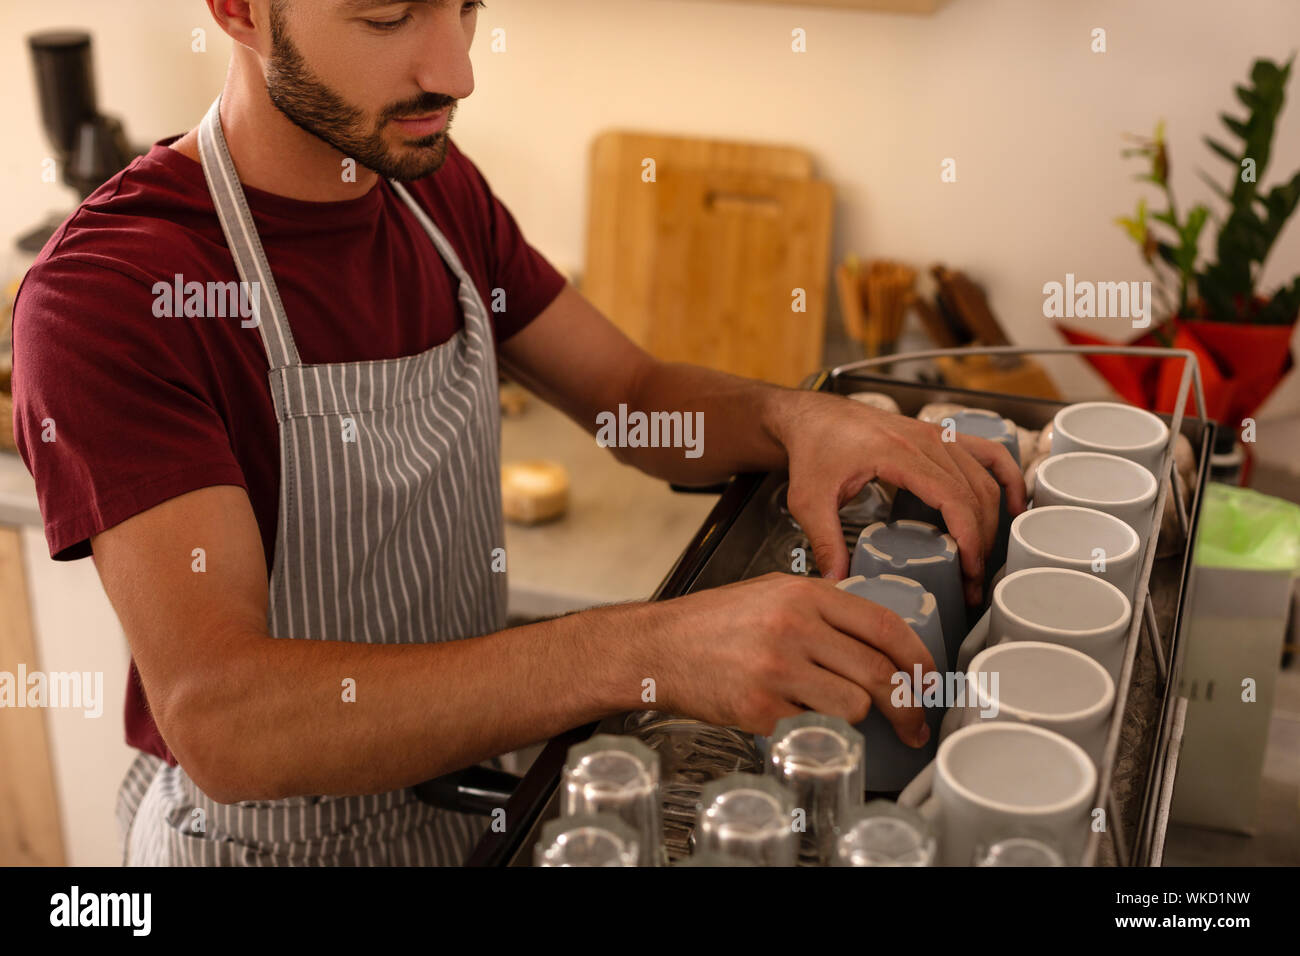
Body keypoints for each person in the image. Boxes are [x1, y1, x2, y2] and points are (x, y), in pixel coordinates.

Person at [11, 0, 1024, 866]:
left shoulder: (430, 191)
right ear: (233, 7)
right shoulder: (114, 293)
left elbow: (628, 392)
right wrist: (648, 647)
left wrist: (794, 416)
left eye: (467, 7)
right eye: (386, 14)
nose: (453, 68)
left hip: (467, 815)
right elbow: (228, 718)